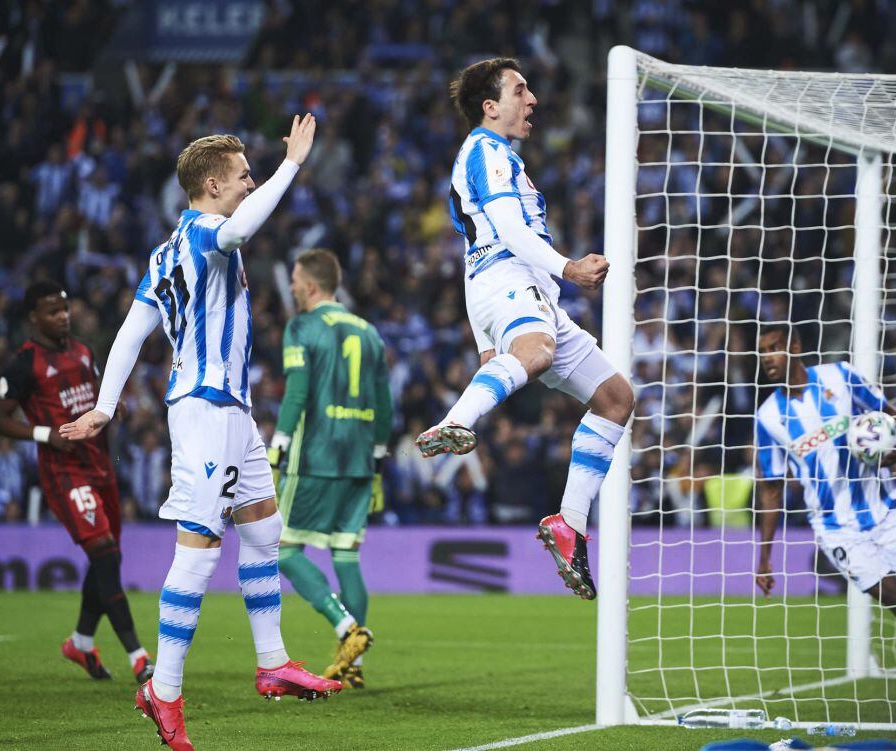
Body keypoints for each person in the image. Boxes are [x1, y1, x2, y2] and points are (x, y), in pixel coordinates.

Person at [60, 116, 342, 751]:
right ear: (212, 185)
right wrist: (291, 164)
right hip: (203, 408)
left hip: (230, 409)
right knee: (199, 549)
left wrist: (106, 404)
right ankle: (164, 691)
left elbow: (131, 332)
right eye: (243, 176)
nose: (250, 183)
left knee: (264, 529)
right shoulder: (208, 232)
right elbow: (241, 226)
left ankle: (272, 663)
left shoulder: (165, 252)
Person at [416, 57, 634, 600]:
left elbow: (472, 245)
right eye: (520, 90)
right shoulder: (485, 151)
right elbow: (508, 232)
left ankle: (569, 522)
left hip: (521, 293)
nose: (532, 99)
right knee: (535, 353)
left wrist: (485, 344)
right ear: (491, 107)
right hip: (512, 281)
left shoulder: (498, 157)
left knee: (615, 398)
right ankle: (453, 421)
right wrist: (570, 266)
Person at [753, 323, 896, 706]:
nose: (767, 360)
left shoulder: (840, 376)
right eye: (762, 353)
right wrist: (764, 557)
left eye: (774, 348)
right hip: (835, 528)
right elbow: (772, 486)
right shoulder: (768, 417)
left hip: (884, 511)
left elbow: (891, 416)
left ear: (795, 345)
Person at [0, 281, 153, 684]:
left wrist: (113, 410)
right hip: (65, 473)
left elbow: (99, 397)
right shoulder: (24, 364)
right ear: (34, 316)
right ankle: (139, 656)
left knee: (107, 557)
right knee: (103, 551)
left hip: (100, 466)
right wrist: (46, 435)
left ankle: (80, 642)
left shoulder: (83, 351)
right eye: (52, 311)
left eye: (64, 309)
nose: (62, 316)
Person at [269, 248, 393, 689]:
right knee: (345, 554)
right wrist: (377, 459)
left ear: (311, 286)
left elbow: (298, 391)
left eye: (296, 280)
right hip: (360, 458)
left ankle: (347, 628)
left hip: (316, 456)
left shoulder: (302, 327)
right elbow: (385, 405)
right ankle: (353, 664)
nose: (291, 287)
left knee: (282, 550)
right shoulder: (370, 332)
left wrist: (278, 445)